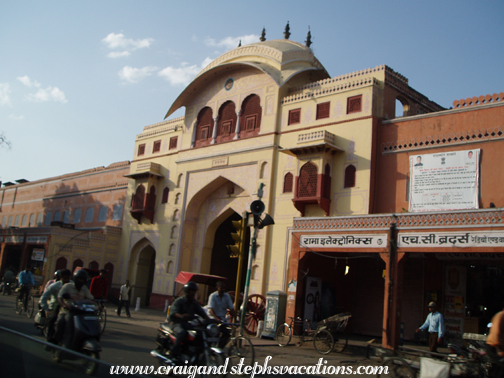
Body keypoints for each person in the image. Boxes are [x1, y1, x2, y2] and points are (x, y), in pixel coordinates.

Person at [168, 282, 209, 360]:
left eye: (194, 291)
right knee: (181, 333)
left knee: (200, 332)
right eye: (191, 291)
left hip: (187, 323)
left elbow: (202, 313)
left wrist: (210, 320)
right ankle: (173, 352)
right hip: (176, 323)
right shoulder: (179, 301)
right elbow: (174, 312)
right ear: (187, 291)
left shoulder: (194, 302)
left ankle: (194, 352)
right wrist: (182, 316)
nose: (193, 293)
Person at [55, 269, 94, 348]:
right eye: (79, 279)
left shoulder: (84, 288)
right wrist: (64, 305)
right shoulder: (68, 286)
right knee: (61, 322)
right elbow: (60, 297)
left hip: (80, 313)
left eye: (83, 280)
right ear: (75, 279)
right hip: (67, 311)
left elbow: (91, 298)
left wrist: (96, 305)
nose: (81, 281)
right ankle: (57, 343)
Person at [40, 269, 71, 345]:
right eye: (64, 278)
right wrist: (47, 309)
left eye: (68, 278)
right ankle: (49, 341)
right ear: (60, 278)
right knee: (52, 320)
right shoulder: (54, 286)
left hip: (69, 307)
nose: (66, 280)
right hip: (56, 306)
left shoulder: (72, 285)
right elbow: (43, 298)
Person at [207, 281, 236, 348]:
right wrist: (216, 318)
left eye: (224, 288)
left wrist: (236, 318)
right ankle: (210, 348)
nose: (222, 290)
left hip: (222, 319)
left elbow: (231, 308)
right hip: (213, 319)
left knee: (227, 334)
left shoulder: (227, 296)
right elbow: (211, 310)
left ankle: (220, 348)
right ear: (217, 288)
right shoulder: (213, 296)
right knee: (214, 334)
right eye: (221, 288)